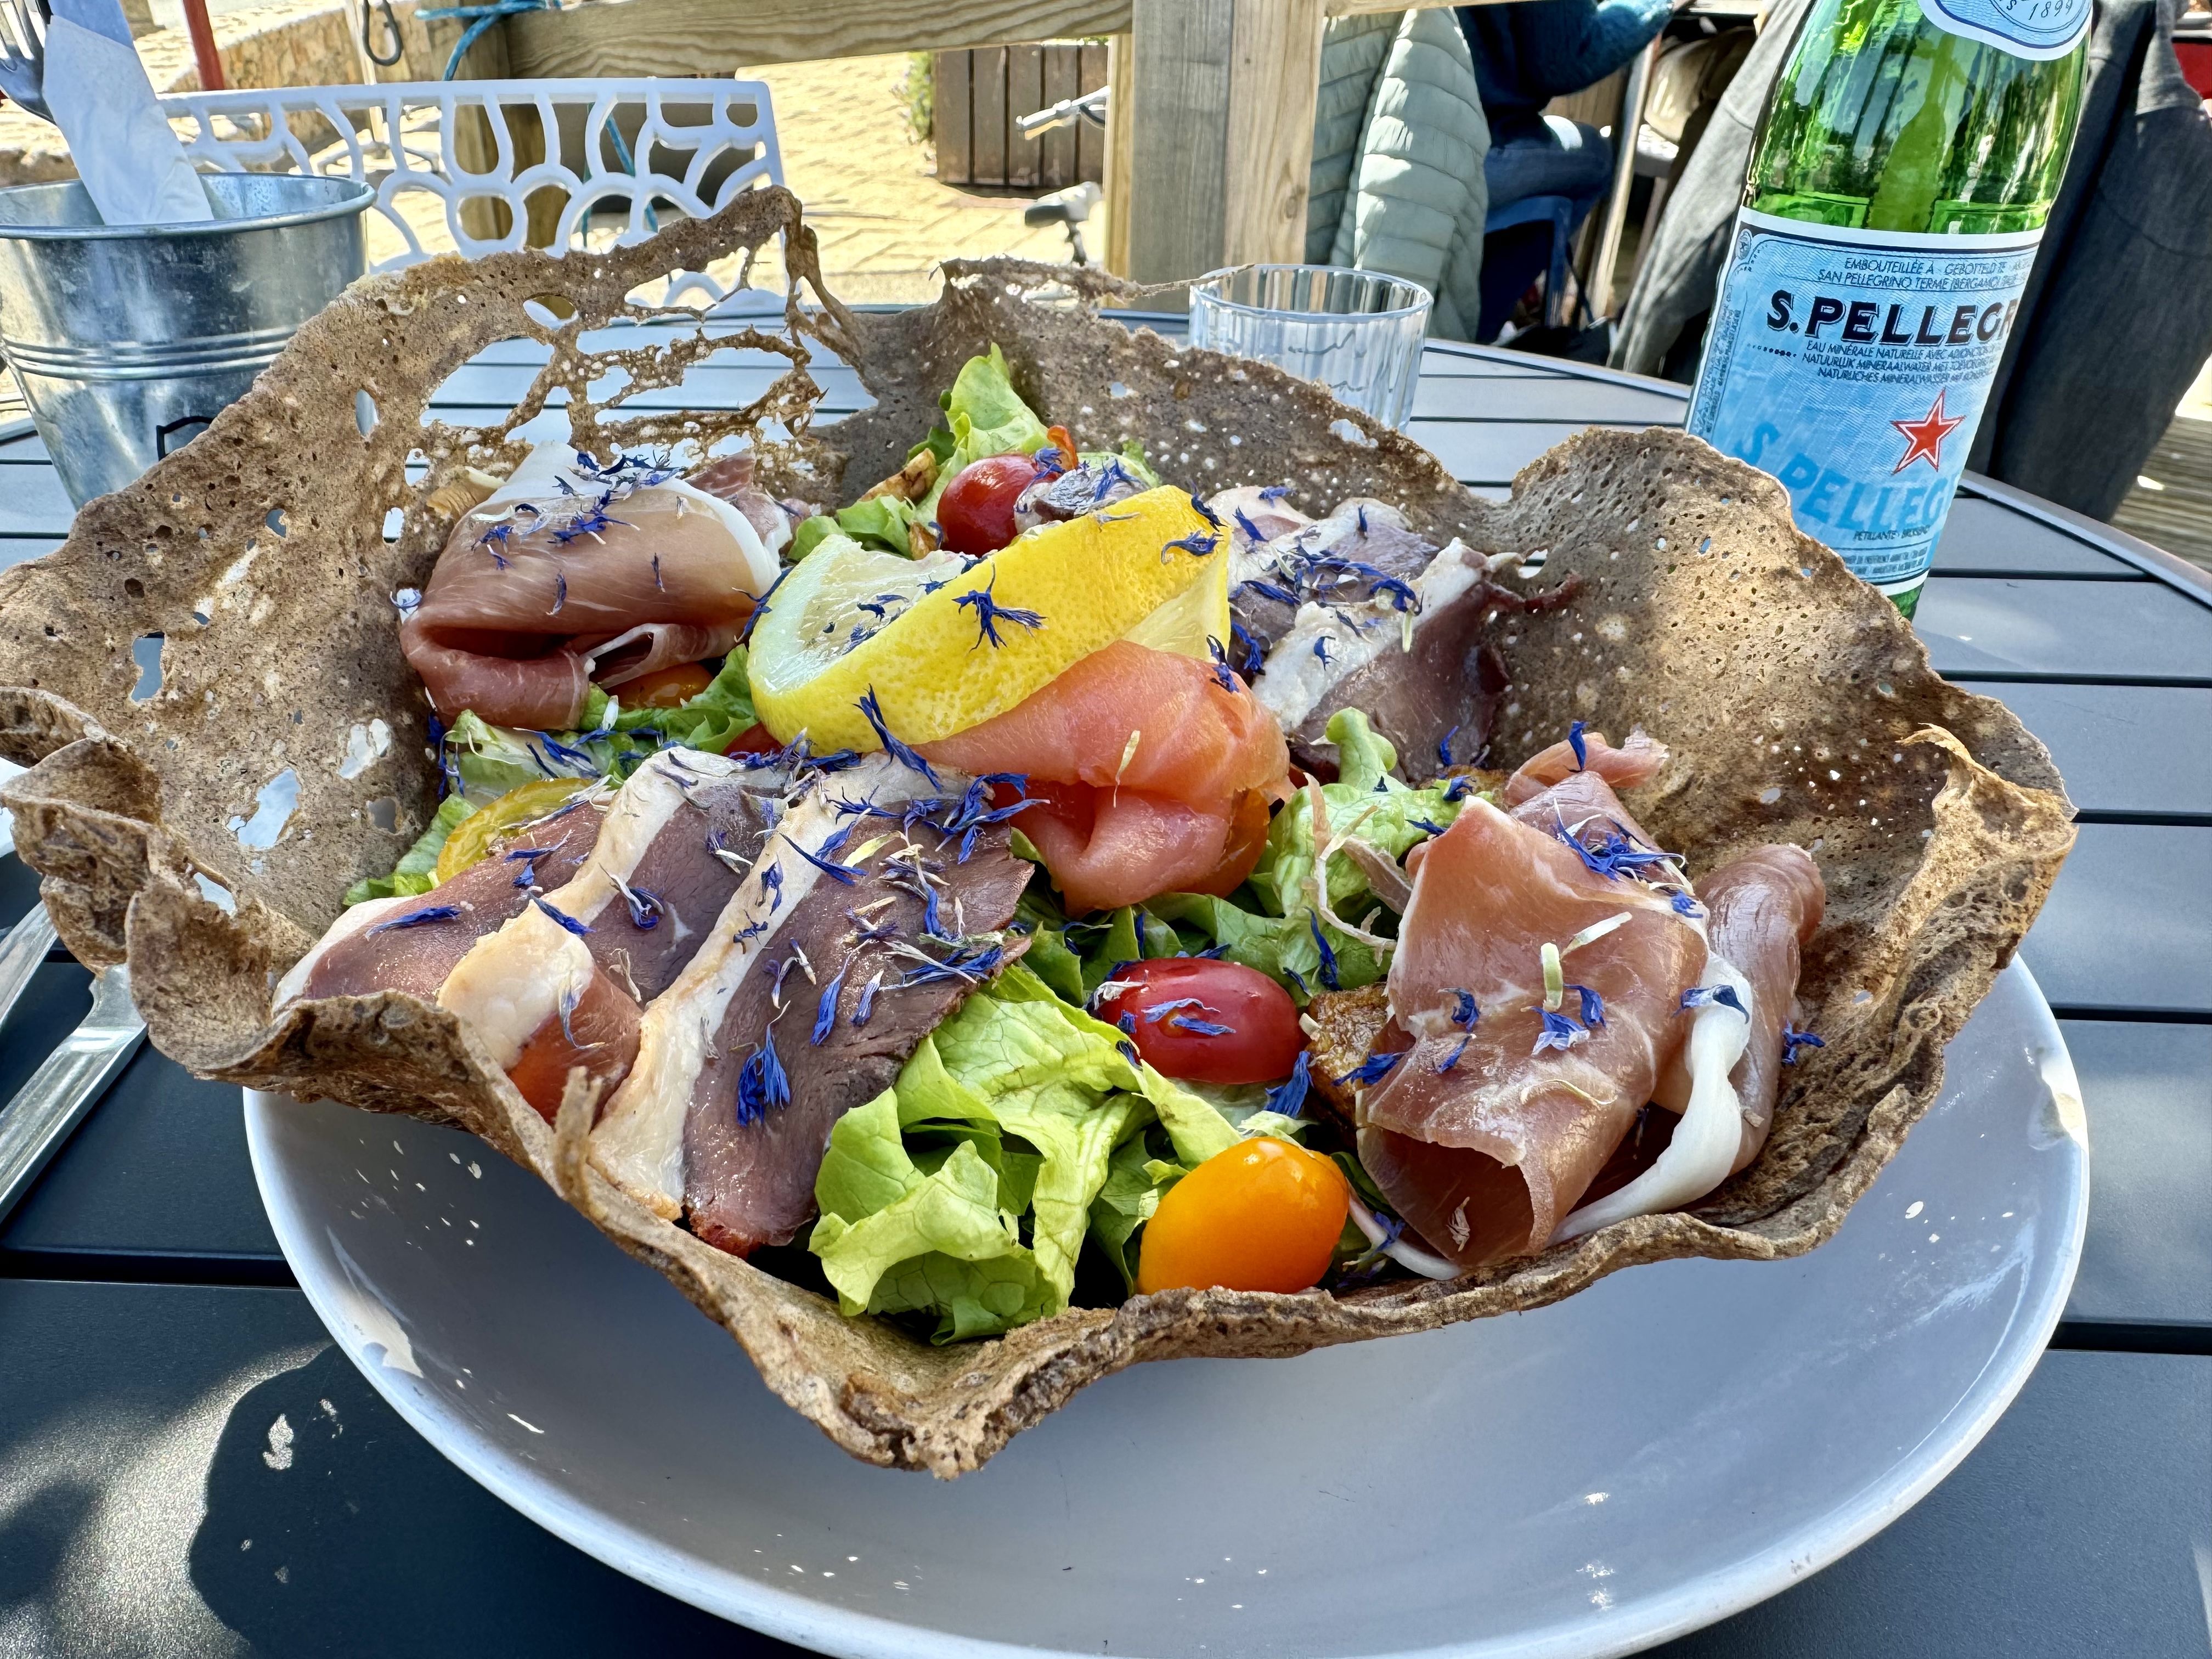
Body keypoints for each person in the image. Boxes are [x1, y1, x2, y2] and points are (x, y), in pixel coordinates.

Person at [1458, 0, 1678, 338]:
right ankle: (1472, 333)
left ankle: (1487, 313)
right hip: (1475, 146)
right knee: (1596, 158)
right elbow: (1567, 60)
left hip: (1387, 129)